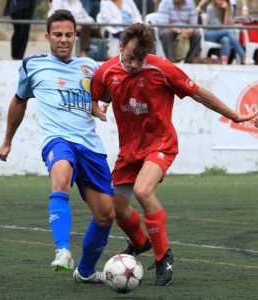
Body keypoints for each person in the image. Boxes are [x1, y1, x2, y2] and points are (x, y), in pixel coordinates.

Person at [90, 23, 257, 286]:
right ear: (120, 47)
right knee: (118, 210)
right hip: (128, 151)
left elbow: (199, 94)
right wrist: (97, 106)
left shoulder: (162, 68)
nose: (134, 64)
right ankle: (139, 242)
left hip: (160, 144)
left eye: (140, 59)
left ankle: (163, 257)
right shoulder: (106, 70)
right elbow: (97, 93)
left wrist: (235, 115)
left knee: (144, 192)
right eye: (130, 57)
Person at [0, 9, 115, 283]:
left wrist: (101, 105)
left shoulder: (91, 66)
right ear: (48, 36)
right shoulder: (33, 65)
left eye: (69, 34)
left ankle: (85, 272)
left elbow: (106, 94)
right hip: (58, 140)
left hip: (90, 148)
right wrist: (7, 141)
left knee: (106, 215)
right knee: (60, 175)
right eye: (58, 35)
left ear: (76, 35)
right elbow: (19, 101)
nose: (64, 40)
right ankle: (62, 250)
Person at [204, 0, 253, 64]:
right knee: (228, 32)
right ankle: (243, 56)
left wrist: (227, 11)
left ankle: (223, 63)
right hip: (210, 34)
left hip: (223, 33)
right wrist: (233, 25)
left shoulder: (230, 8)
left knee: (226, 39)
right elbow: (221, 27)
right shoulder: (210, 8)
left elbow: (227, 25)